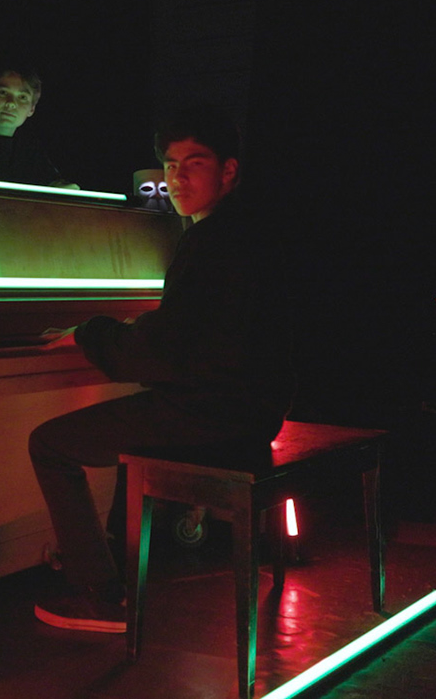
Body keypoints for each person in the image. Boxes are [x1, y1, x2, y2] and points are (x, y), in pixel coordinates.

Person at [27, 106, 292, 632]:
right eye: (171, 166)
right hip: (251, 410)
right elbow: (188, 332)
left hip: (213, 415)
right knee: (133, 429)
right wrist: (134, 330)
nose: (177, 178)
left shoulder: (211, 240)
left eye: (195, 163)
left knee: (49, 445)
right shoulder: (243, 233)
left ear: (229, 170)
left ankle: (99, 595)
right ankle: (115, 568)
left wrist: (89, 332)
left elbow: (162, 352)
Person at [0, 69, 77, 188]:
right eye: (3, 93)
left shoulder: (30, 148)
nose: (11, 103)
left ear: (31, 109)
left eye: (22, 97)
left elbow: (64, 186)